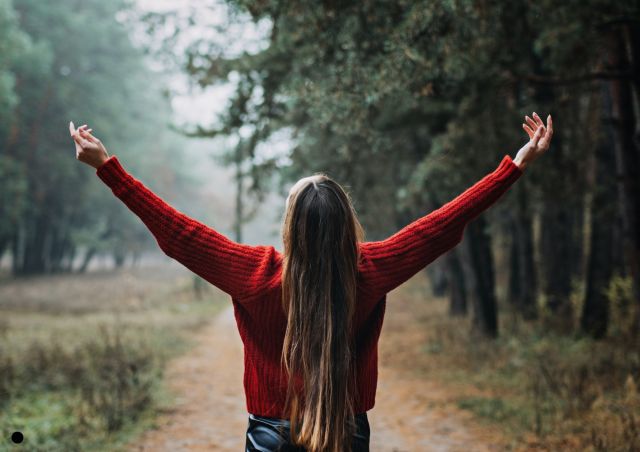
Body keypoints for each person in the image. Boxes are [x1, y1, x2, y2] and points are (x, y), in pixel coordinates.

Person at [69, 112, 553, 452]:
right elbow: (441, 225)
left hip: (269, 436)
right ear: (347, 224)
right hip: (348, 433)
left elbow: (179, 234)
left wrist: (109, 168)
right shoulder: (368, 270)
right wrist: (513, 167)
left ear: (290, 226)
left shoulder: (257, 275)